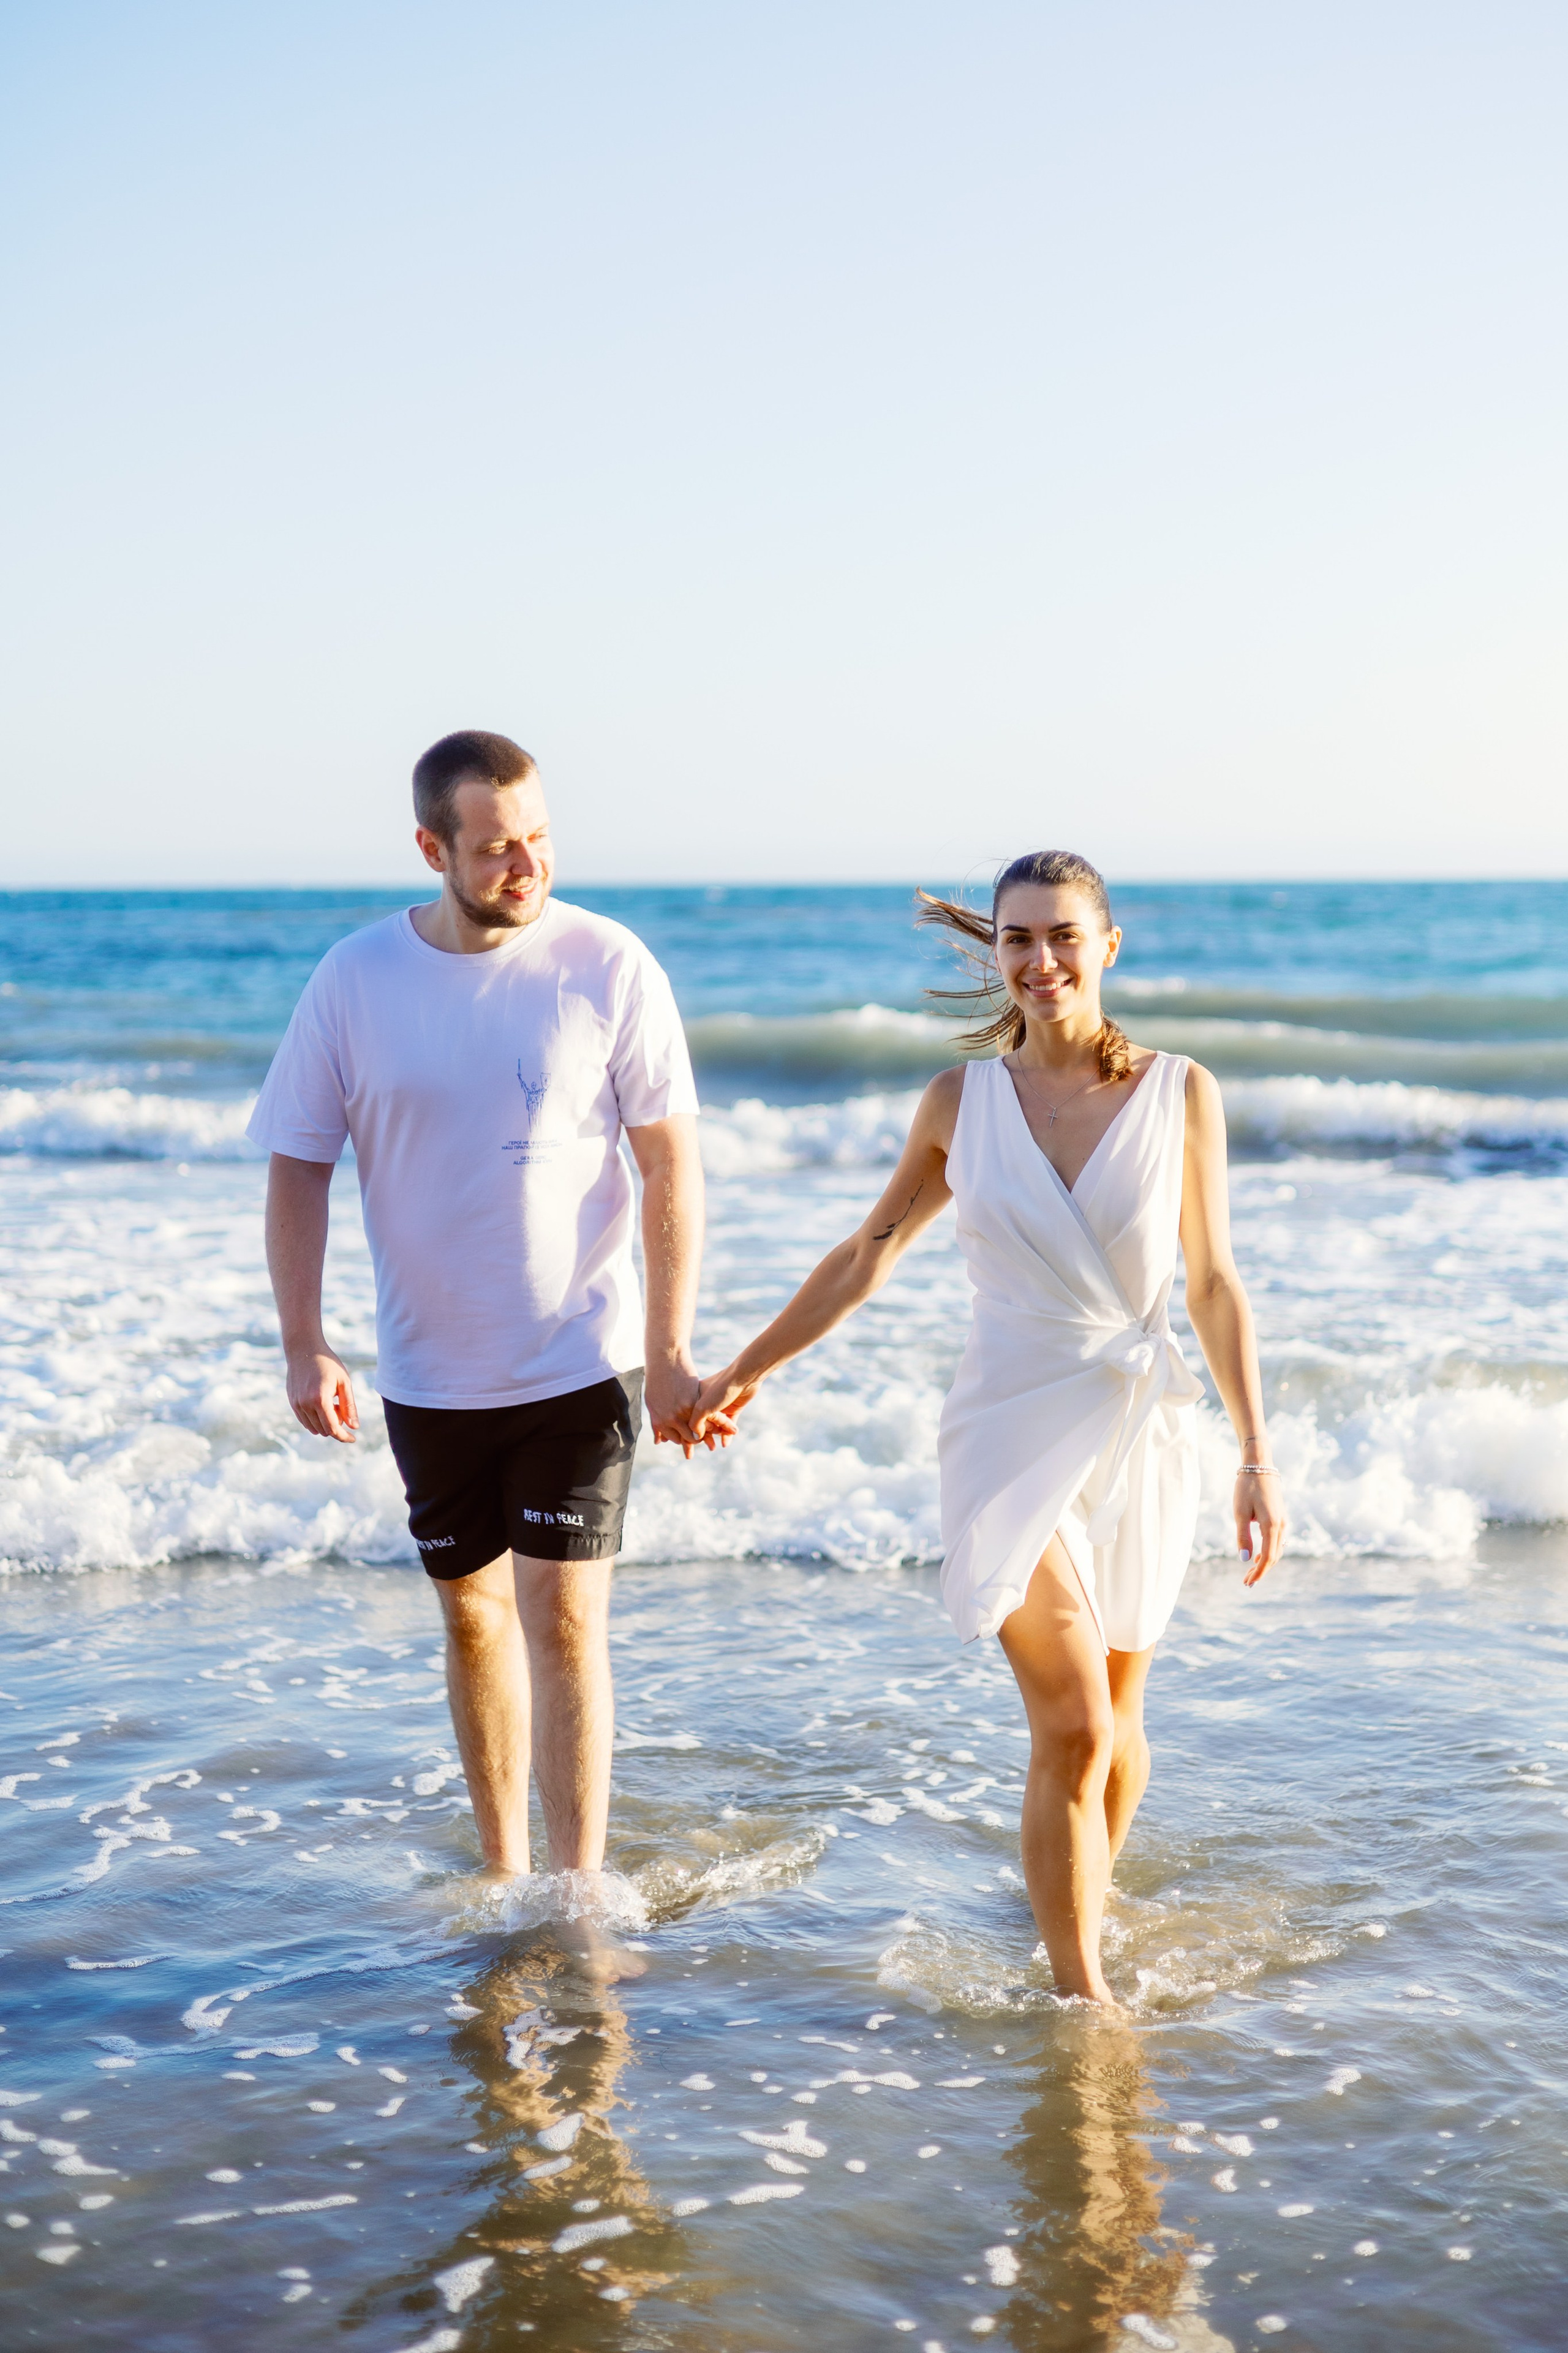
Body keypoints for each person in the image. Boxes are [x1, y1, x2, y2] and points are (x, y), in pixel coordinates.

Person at [693, 850, 1285, 2004]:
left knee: (1117, 1720)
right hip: (1009, 1431)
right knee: (1069, 1718)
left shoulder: (1181, 1092)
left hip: (1138, 1434)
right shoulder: (960, 1104)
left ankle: (1079, 1902)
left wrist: (1256, 1453)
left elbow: (1213, 1282)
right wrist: (738, 1370)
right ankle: (1085, 1996)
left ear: (1108, 946)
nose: (1040, 959)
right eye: (1017, 938)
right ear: (995, 952)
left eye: (1063, 935)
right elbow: (867, 1256)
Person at [249, 730, 713, 1970]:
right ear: (432, 848)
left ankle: (576, 1888)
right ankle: (502, 1871)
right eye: (497, 845)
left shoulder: (608, 964)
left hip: (579, 1354)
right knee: (470, 1619)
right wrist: (306, 1341)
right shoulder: (353, 980)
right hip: (427, 1368)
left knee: (562, 1615)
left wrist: (668, 1349)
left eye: (540, 837)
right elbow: (298, 1162)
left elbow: (669, 1164)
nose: (526, 863)